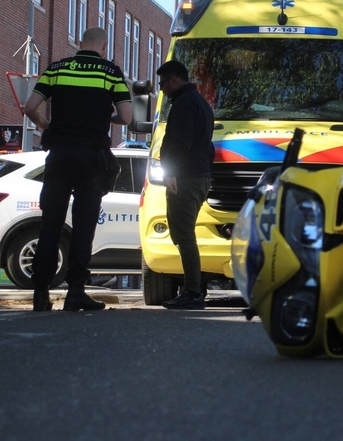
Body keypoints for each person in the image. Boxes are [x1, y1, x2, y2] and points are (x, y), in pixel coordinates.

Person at [24, 26, 132, 312]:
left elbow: (29, 106)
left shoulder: (56, 68)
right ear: (104, 47)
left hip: (59, 155)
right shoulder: (111, 72)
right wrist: (99, 117)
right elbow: (126, 116)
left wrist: (47, 125)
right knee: (84, 226)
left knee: (51, 224)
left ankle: (40, 293)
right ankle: (75, 292)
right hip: (92, 158)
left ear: (79, 43)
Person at [157, 60, 216, 310]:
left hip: (186, 178)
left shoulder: (183, 104)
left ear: (174, 80)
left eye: (163, 83)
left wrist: (171, 172)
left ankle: (192, 291)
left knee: (183, 235)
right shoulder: (201, 103)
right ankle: (192, 289)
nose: (161, 89)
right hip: (200, 176)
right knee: (185, 233)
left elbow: (179, 143)